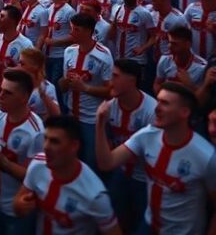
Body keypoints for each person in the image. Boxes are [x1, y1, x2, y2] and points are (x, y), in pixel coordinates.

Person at [96, 82, 216, 235]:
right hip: (149, 226)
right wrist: (100, 124)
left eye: (165, 103)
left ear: (184, 112)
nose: (156, 108)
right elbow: (107, 163)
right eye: (158, 101)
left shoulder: (206, 156)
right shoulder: (146, 136)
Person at [13, 116, 120, 235]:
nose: (46, 147)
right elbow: (18, 203)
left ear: (74, 146)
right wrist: (20, 206)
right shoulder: (37, 165)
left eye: (54, 141)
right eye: (45, 139)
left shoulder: (95, 195)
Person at [0, 69, 43, 235]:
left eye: (8, 93)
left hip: (16, 210)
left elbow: (32, 176)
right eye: (0, 90)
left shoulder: (35, 133)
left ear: (24, 98)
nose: (0, 95)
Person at [103, 60, 156, 234]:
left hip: (144, 178)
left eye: (116, 76)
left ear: (132, 81)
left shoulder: (152, 111)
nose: (110, 81)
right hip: (120, 171)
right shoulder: (109, 107)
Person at [59, 13, 113, 172]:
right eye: (71, 29)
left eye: (76, 30)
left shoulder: (104, 55)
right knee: (70, 161)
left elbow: (110, 92)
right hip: (71, 114)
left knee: (91, 164)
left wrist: (85, 88)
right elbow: (63, 87)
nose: (71, 33)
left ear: (88, 31)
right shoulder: (69, 52)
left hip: (91, 119)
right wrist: (64, 82)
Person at [0, 5, 33, 106]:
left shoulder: (26, 44)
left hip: (13, 99)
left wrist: (14, 68)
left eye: (2, 16)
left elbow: (30, 73)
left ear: (12, 21)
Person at [154, 25, 207, 92]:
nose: (169, 46)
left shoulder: (202, 67)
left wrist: (190, 85)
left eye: (174, 44)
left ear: (188, 44)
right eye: (169, 42)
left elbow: (205, 97)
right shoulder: (164, 60)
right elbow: (157, 83)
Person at [20, 47, 60, 120]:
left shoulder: (48, 88)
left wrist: (43, 95)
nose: (19, 67)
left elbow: (57, 114)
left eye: (22, 64)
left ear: (35, 66)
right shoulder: (17, 84)